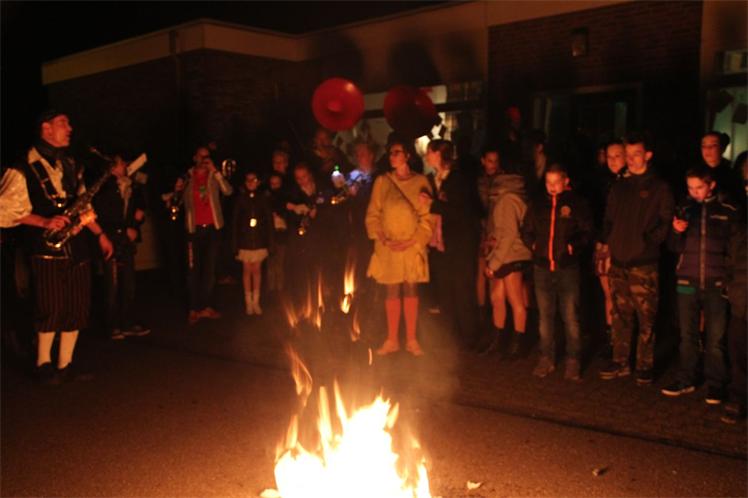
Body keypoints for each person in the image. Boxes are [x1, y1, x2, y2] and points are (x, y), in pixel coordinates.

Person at [12, 110, 114, 384]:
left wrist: (100, 234)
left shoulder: (70, 164)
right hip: (46, 248)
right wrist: (44, 221)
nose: (69, 128)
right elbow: (6, 209)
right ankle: (43, 364)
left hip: (77, 246)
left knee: (77, 305)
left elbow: (84, 205)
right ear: (46, 128)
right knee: (50, 305)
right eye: (63, 123)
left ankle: (65, 364)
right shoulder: (23, 166)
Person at [599, 132, 674, 385]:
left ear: (648, 155)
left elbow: (665, 221)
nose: (630, 159)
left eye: (636, 154)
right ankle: (620, 361)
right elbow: (609, 218)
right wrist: (609, 240)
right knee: (620, 314)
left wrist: (648, 241)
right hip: (619, 262)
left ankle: (644, 364)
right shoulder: (619, 186)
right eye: (628, 154)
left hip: (644, 264)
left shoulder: (659, 187)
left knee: (646, 318)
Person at [661, 167, 739, 403]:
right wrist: (675, 232)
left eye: (699, 187)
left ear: (711, 185)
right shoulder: (684, 209)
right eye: (690, 188)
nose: (694, 192)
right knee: (688, 335)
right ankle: (686, 378)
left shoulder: (727, 211)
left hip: (716, 283)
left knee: (715, 339)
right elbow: (673, 247)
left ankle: (716, 384)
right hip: (687, 281)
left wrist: (728, 278)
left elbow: (735, 249)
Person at [521, 163, 593, 381]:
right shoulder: (537, 204)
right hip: (542, 267)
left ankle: (573, 360)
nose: (552, 187)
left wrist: (573, 247)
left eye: (556, 182)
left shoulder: (576, 204)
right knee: (545, 317)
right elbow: (526, 230)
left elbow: (586, 231)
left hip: (567, 268)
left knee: (570, 316)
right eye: (548, 182)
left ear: (565, 181)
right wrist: (533, 245)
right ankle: (546, 358)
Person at [366, 139, 433, 356]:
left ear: (407, 156)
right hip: (389, 246)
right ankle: (392, 339)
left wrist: (413, 241)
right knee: (392, 289)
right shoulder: (382, 182)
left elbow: (427, 217)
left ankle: (411, 340)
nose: (392, 156)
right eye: (390, 153)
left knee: (411, 288)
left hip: (411, 245)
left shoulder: (421, 181)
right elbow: (373, 215)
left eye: (397, 152)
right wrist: (384, 239)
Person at [425, 139, 481, 350]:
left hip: (460, 244)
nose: (426, 156)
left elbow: (461, 212)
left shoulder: (458, 180)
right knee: (445, 290)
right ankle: (450, 336)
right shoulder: (432, 180)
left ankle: (469, 337)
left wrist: (433, 204)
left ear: (439, 154)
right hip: (441, 245)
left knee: (462, 290)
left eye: (429, 152)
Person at [92, 153, 150, 340]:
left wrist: (136, 223)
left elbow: (138, 210)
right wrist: (123, 230)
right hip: (112, 240)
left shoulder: (131, 186)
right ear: (112, 167)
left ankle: (127, 322)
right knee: (112, 284)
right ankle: (112, 325)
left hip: (126, 242)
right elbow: (103, 216)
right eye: (121, 163)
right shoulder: (104, 188)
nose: (125, 165)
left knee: (128, 284)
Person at [174, 147, 233, 324]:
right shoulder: (187, 177)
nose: (204, 159)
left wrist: (215, 171)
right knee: (193, 271)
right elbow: (177, 200)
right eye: (201, 156)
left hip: (212, 229)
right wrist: (177, 189)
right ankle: (194, 308)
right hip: (193, 229)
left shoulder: (213, 176)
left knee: (209, 270)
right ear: (195, 157)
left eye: (207, 156)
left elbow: (228, 191)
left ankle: (206, 306)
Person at [481, 160, 532, 358]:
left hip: (511, 256)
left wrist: (493, 264)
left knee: (515, 300)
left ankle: (518, 344)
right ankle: (499, 340)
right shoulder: (510, 198)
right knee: (497, 298)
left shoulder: (507, 200)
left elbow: (510, 235)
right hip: (505, 254)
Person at [592, 140, 628, 359]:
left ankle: (624, 340)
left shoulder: (629, 183)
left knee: (623, 296)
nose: (613, 161)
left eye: (617, 156)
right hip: (604, 243)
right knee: (608, 294)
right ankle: (612, 339)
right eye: (609, 157)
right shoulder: (601, 183)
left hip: (623, 245)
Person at [232, 171, 274, 315]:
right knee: (246, 270)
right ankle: (248, 302)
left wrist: (270, 243)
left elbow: (269, 222)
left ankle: (256, 302)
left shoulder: (263, 198)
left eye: (253, 180)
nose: (251, 183)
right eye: (248, 180)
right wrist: (235, 244)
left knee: (256, 270)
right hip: (244, 241)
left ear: (258, 182)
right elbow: (235, 222)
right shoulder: (240, 199)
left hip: (259, 240)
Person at [476, 146, 501, 316]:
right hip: (482, 232)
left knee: (494, 273)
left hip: (496, 233)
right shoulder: (479, 183)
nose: (493, 164)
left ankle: (495, 312)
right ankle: (482, 312)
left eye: (496, 161)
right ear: (483, 161)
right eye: (490, 161)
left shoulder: (503, 182)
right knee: (481, 271)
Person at [699, 131, 743, 207]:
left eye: (714, 145)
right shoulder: (696, 172)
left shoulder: (732, 175)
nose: (708, 149)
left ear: (722, 148)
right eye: (704, 145)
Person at [266, 172, 288, 294]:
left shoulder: (285, 197)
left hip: (281, 233)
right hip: (270, 234)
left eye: (277, 183)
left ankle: (280, 290)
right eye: (272, 183)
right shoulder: (266, 198)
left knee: (279, 262)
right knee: (271, 263)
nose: (275, 186)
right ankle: (271, 290)